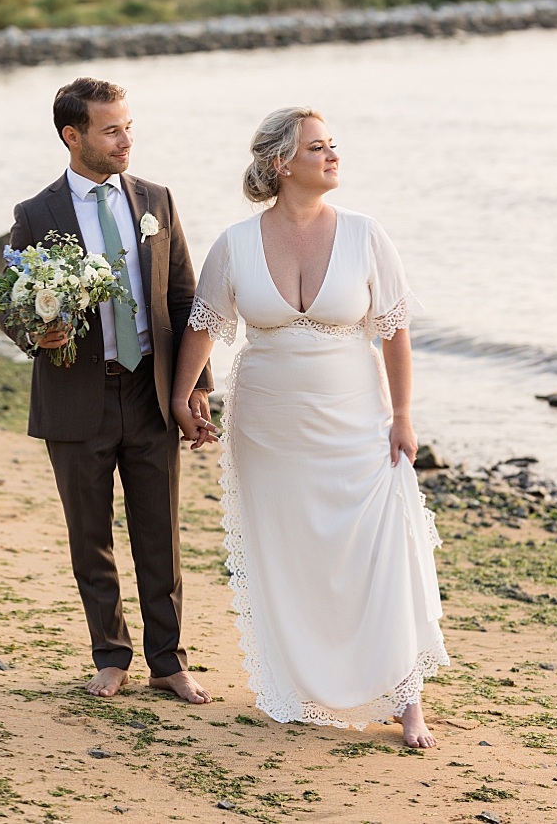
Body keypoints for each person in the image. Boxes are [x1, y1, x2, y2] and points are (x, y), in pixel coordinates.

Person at [172, 107, 446, 748]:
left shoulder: (365, 233)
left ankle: (409, 702)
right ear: (281, 164)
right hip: (268, 432)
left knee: (382, 552)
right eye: (317, 147)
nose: (332, 155)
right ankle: (293, 684)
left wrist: (403, 416)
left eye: (333, 144)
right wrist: (184, 397)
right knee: (287, 556)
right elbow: (205, 325)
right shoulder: (236, 243)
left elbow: (395, 331)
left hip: (358, 423)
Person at [0, 77, 212, 703]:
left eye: (128, 126)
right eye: (110, 129)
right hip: (75, 399)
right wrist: (34, 332)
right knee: (89, 537)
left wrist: (194, 387)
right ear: (74, 136)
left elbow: (184, 298)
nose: (126, 140)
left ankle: (168, 661)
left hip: (149, 393)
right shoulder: (36, 215)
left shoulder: (156, 200)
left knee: (160, 534)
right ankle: (110, 655)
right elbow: (9, 302)